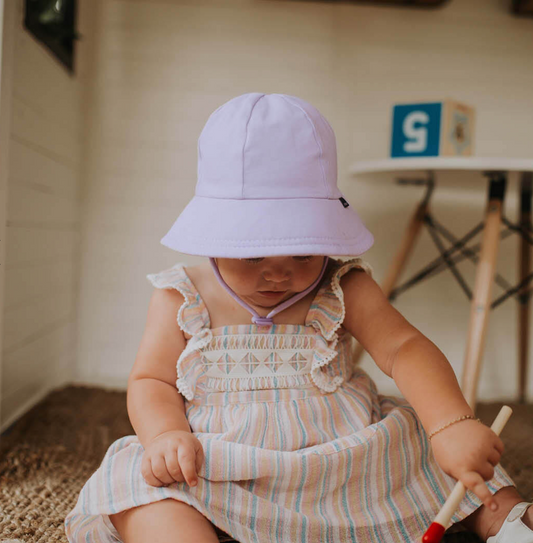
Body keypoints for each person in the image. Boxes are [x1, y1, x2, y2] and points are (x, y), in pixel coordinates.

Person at [64, 93, 533, 543]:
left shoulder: (341, 284)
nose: (279, 272)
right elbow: (152, 380)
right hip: (222, 459)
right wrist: (166, 435)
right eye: (253, 254)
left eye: (304, 249)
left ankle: (507, 519)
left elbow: (403, 348)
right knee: (143, 484)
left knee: (419, 445)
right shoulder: (181, 295)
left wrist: (448, 424)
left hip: (343, 459)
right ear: (214, 235)